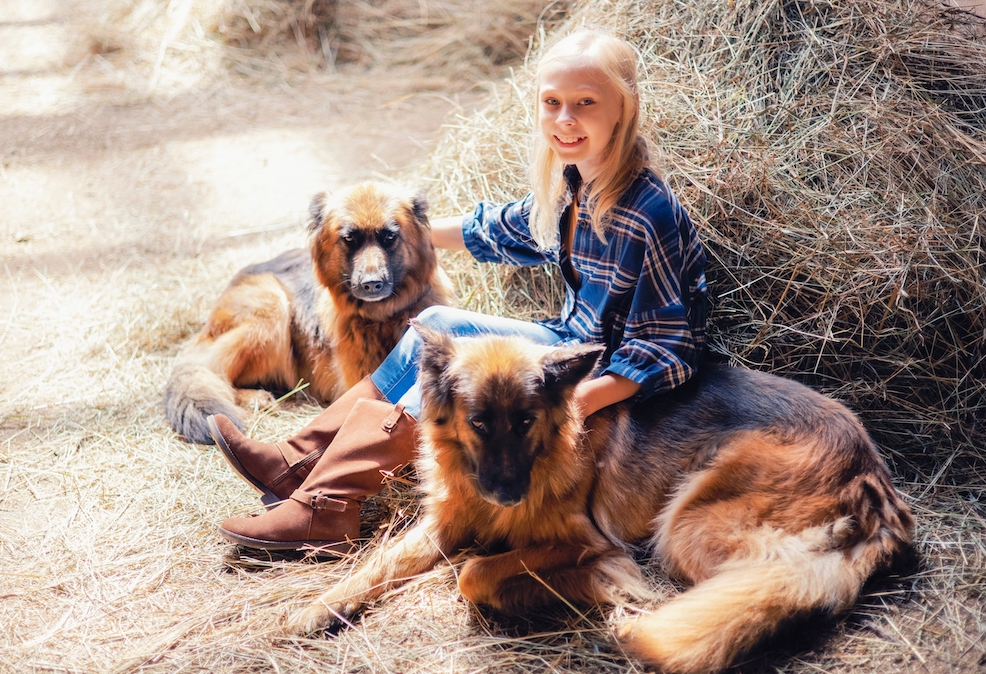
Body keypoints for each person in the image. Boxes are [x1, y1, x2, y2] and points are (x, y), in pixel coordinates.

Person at [207, 28, 709, 556]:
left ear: (623, 110)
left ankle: (327, 507)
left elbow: (668, 346)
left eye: (585, 103)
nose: (566, 119)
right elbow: (513, 226)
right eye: (552, 103)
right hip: (566, 337)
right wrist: (408, 227)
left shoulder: (647, 212)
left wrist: (579, 396)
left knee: (451, 372)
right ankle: (296, 460)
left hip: (594, 368)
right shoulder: (574, 181)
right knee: (435, 333)